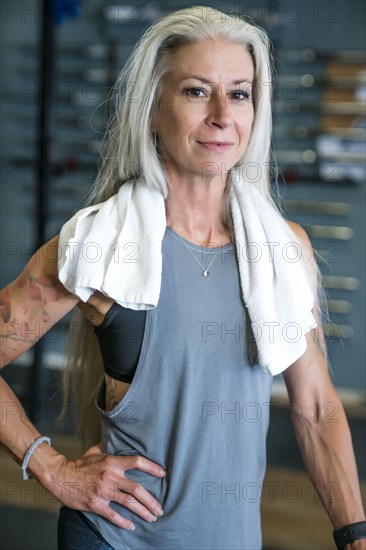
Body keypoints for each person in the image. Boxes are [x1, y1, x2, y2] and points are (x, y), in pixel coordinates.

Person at [0, 5, 365, 550]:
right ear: (152, 108)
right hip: (113, 539)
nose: (222, 114)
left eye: (239, 93)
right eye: (197, 91)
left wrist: (355, 534)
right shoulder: (98, 245)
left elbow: (315, 407)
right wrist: (49, 465)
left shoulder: (283, 250)